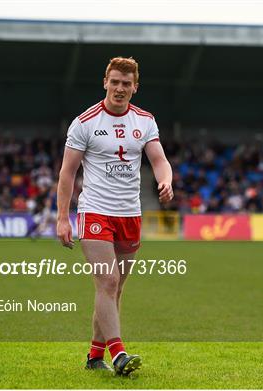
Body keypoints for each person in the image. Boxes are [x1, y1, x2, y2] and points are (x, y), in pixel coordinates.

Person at [56, 57, 173, 376]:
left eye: (127, 83)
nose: (120, 88)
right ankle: (119, 354)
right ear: (105, 82)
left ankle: (95, 355)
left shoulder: (146, 121)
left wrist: (166, 180)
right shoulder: (85, 122)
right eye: (115, 81)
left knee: (115, 288)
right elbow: (67, 174)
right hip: (95, 211)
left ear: (135, 87)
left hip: (130, 214)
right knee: (107, 281)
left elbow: (159, 159)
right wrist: (63, 218)